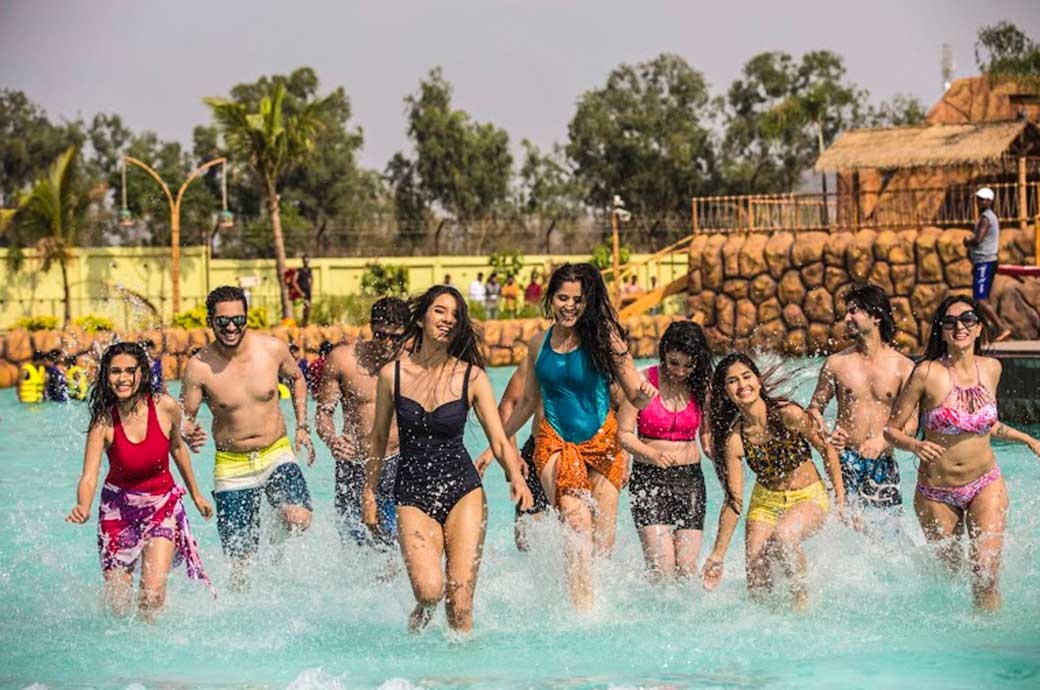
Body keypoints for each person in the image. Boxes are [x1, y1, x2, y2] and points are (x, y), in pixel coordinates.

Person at [363, 286, 533, 633]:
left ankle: (462, 678)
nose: (447, 320)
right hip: (412, 492)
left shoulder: (472, 377)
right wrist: (369, 491)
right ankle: (420, 614)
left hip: (462, 490)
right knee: (429, 592)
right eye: (440, 311)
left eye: (454, 315)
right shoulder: (391, 376)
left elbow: (498, 440)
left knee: (460, 602)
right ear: (423, 316)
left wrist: (515, 476)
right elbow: (379, 437)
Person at [501, 263, 657, 609]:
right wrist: (498, 445)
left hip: (603, 445)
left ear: (589, 302)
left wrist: (644, 396)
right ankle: (581, 615)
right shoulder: (537, 343)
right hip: (555, 443)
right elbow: (526, 401)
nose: (569, 306)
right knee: (577, 524)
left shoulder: (604, 338)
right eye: (562, 298)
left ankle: (586, 601)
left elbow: (632, 390)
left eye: (578, 299)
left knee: (602, 547)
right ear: (551, 299)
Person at [884, 296, 1040, 610]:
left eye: (968, 319)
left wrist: (1027, 438)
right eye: (950, 321)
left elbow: (986, 423)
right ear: (941, 331)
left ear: (979, 327)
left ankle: (990, 640)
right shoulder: (926, 373)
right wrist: (915, 445)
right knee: (948, 580)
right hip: (936, 493)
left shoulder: (992, 368)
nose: (960, 326)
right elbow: (891, 430)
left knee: (985, 574)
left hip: (986, 483)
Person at [180, 286, 315, 587]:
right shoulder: (199, 367)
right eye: (222, 321)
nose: (231, 327)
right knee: (240, 566)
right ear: (210, 321)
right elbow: (184, 416)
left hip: (275, 451)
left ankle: (275, 538)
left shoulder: (272, 350)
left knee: (299, 519)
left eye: (238, 320)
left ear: (246, 318)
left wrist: (302, 425)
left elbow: (297, 378)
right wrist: (187, 431)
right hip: (232, 465)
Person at [66, 342, 213, 619]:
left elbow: (178, 448)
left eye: (130, 371)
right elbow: (89, 475)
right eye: (115, 372)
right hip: (117, 513)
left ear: (142, 373)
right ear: (106, 376)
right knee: (118, 606)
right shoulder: (103, 422)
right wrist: (83, 506)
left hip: (162, 506)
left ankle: (153, 653)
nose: (122, 378)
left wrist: (196, 494)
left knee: (151, 598)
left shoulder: (165, 407)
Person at [702, 353, 845, 610]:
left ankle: (801, 603)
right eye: (732, 381)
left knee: (785, 535)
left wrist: (841, 500)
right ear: (725, 392)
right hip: (765, 502)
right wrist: (717, 555)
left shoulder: (788, 414)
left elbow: (827, 450)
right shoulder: (735, 440)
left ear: (758, 381)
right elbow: (734, 501)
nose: (742, 385)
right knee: (757, 585)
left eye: (747, 376)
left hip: (808, 495)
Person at [808, 283, 916, 524]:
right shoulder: (835, 364)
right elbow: (814, 410)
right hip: (844, 461)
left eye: (854, 311)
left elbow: (911, 424)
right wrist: (826, 433)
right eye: (846, 312)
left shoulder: (904, 368)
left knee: (886, 541)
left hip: (883, 463)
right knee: (844, 531)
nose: (846, 318)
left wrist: (883, 440)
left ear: (876, 316)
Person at [617, 321, 713, 580]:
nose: (680, 371)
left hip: (691, 481)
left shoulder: (701, 386)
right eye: (673, 363)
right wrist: (652, 455)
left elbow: (706, 430)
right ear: (663, 353)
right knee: (663, 568)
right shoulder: (642, 381)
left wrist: (710, 445)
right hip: (649, 479)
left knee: (687, 569)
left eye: (688, 365)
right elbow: (623, 434)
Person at [316, 297, 410, 547]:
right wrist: (332, 440)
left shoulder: (414, 364)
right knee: (355, 546)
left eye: (396, 337)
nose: (388, 343)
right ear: (371, 328)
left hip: (396, 462)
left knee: (393, 545)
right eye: (381, 335)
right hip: (353, 464)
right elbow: (323, 414)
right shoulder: (343, 360)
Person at [475, 354, 551, 551]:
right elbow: (508, 404)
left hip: (587, 453)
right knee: (526, 543)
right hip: (539, 451)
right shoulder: (541, 353)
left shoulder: (596, 348)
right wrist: (512, 456)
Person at [964, 188, 1010, 342]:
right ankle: (988, 332)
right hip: (983, 262)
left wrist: (967, 241)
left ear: (990, 201)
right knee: (981, 299)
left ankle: (1001, 328)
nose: (979, 202)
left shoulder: (986, 218)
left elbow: (978, 240)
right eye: (978, 199)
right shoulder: (987, 217)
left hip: (985, 261)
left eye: (983, 199)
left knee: (980, 299)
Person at [293, 255, 314, 327]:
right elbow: (294, 281)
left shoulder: (309, 270)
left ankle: (305, 324)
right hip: (302, 292)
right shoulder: (299, 270)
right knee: (306, 306)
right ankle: (303, 324)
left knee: (308, 308)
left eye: (307, 260)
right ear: (303, 261)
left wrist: (310, 287)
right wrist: (300, 292)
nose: (306, 261)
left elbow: (312, 279)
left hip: (308, 292)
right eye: (305, 260)